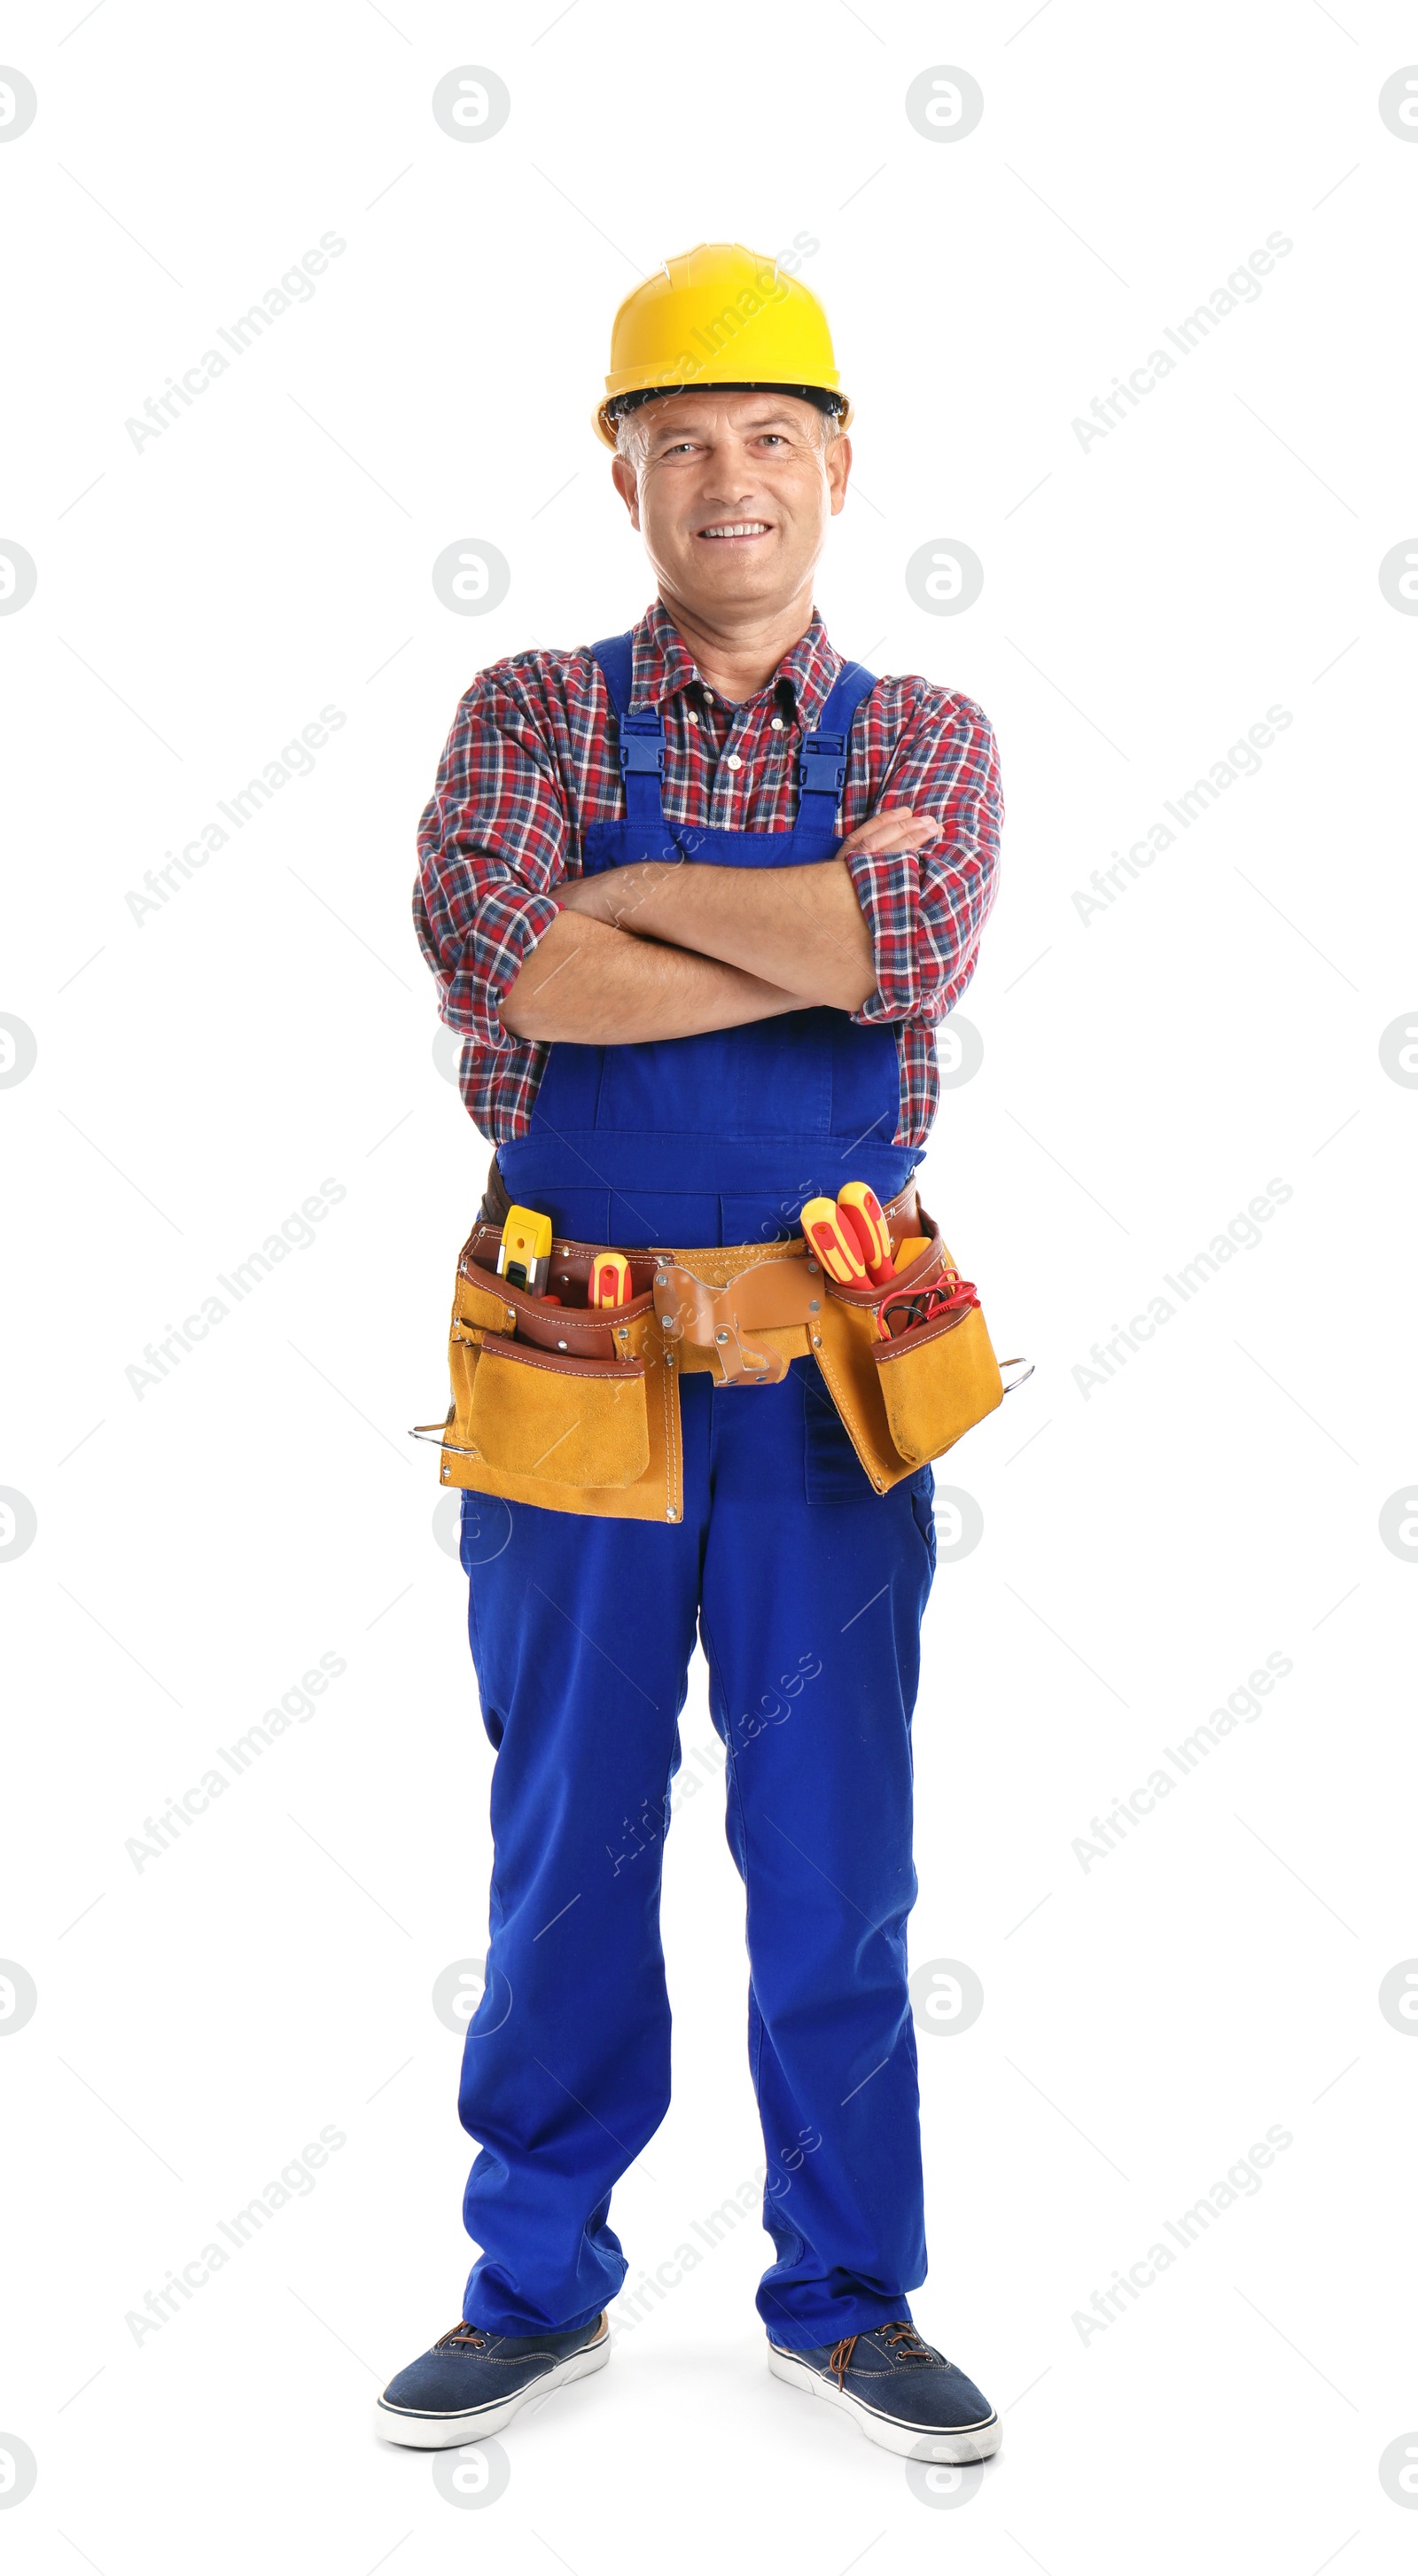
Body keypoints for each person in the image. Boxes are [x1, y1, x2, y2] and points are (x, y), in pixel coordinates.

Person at [376, 242, 1004, 2463]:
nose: (725, 482)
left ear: (834, 468)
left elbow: (907, 936)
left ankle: (844, 2293)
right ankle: (531, 2280)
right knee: (564, 1845)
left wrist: (632, 914)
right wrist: (812, 933)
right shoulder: (523, 714)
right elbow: (505, 963)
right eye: (680, 444)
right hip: (571, 1367)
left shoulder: (928, 736)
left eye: (767, 441)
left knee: (837, 1861)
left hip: (832, 1382)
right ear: (619, 470)